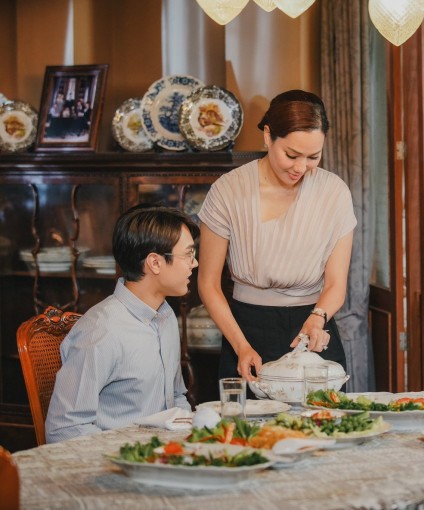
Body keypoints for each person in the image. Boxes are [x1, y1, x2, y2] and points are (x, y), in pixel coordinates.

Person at [197, 89, 356, 383]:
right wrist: (241, 345)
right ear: (268, 136)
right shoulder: (229, 190)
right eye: (291, 155)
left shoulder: (334, 193)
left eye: (313, 157)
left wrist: (318, 316)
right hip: (245, 330)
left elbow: (336, 283)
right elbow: (208, 283)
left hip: (312, 328)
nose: (301, 168)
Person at [45, 204, 199, 443]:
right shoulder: (101, 330)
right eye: (188, 254)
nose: (194, 263)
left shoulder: (166, 316)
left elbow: (176, 397)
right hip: (119, 458)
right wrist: (130, 455)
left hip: (165, 454)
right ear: (155, 262)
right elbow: (64, 428)